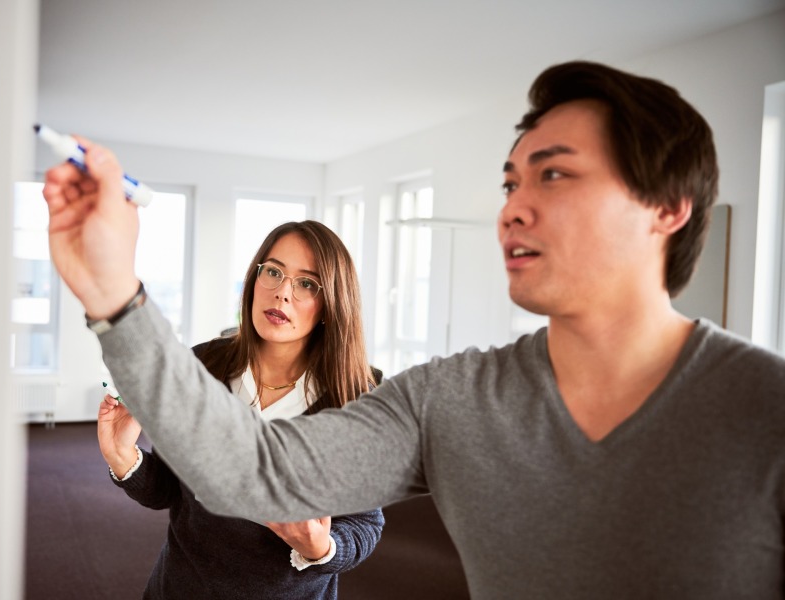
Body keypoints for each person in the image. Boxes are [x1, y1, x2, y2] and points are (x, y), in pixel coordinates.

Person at [43, 60, 785, 599]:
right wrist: (112, 290)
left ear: (667, 207)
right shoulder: (448, 398)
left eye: (552, 175)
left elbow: (338, 530)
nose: (512, 208)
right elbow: (248, 471)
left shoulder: (765, 410)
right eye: (510, 182)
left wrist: (319, 548)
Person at [95, 221, 385, 599]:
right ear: (254, 279)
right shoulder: (201, 365)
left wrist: (321, 547)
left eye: (306, 283)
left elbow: (365, 524)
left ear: (330, 304)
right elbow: (169, 490)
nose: (282, 293)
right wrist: (123, 457)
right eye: (274, 272)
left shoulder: (356, 401)